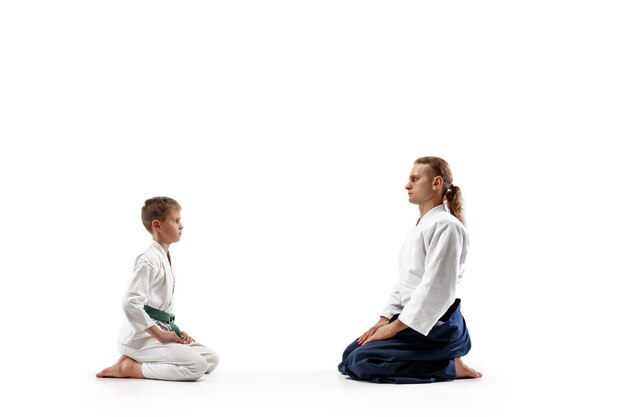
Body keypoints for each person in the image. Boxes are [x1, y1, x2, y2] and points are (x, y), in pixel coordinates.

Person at [338, 157, 481, 383]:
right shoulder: (425, 224)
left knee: (361, 362)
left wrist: (395, 328)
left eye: (415, 179)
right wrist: (384, 320)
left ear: (436, 183)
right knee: (349, 355)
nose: (407, 185)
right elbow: (406, 280)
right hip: (410, 318)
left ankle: (451, 365)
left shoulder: (446, 226)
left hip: (435, 327)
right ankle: (444, 359)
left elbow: (437, 287)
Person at [97, 197, 219, 381]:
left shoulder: (163, 255)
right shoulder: (149, 260)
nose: (181, 226)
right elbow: (130, 303)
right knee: (197, 366)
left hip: (157, 329)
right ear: (157, 225)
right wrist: (160, 334)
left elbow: (156, 308)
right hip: (139, 338)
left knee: (211, 359)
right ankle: (129, 368)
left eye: (180, 220)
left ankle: (148, 361)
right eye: (176, 220)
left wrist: (174, 331)